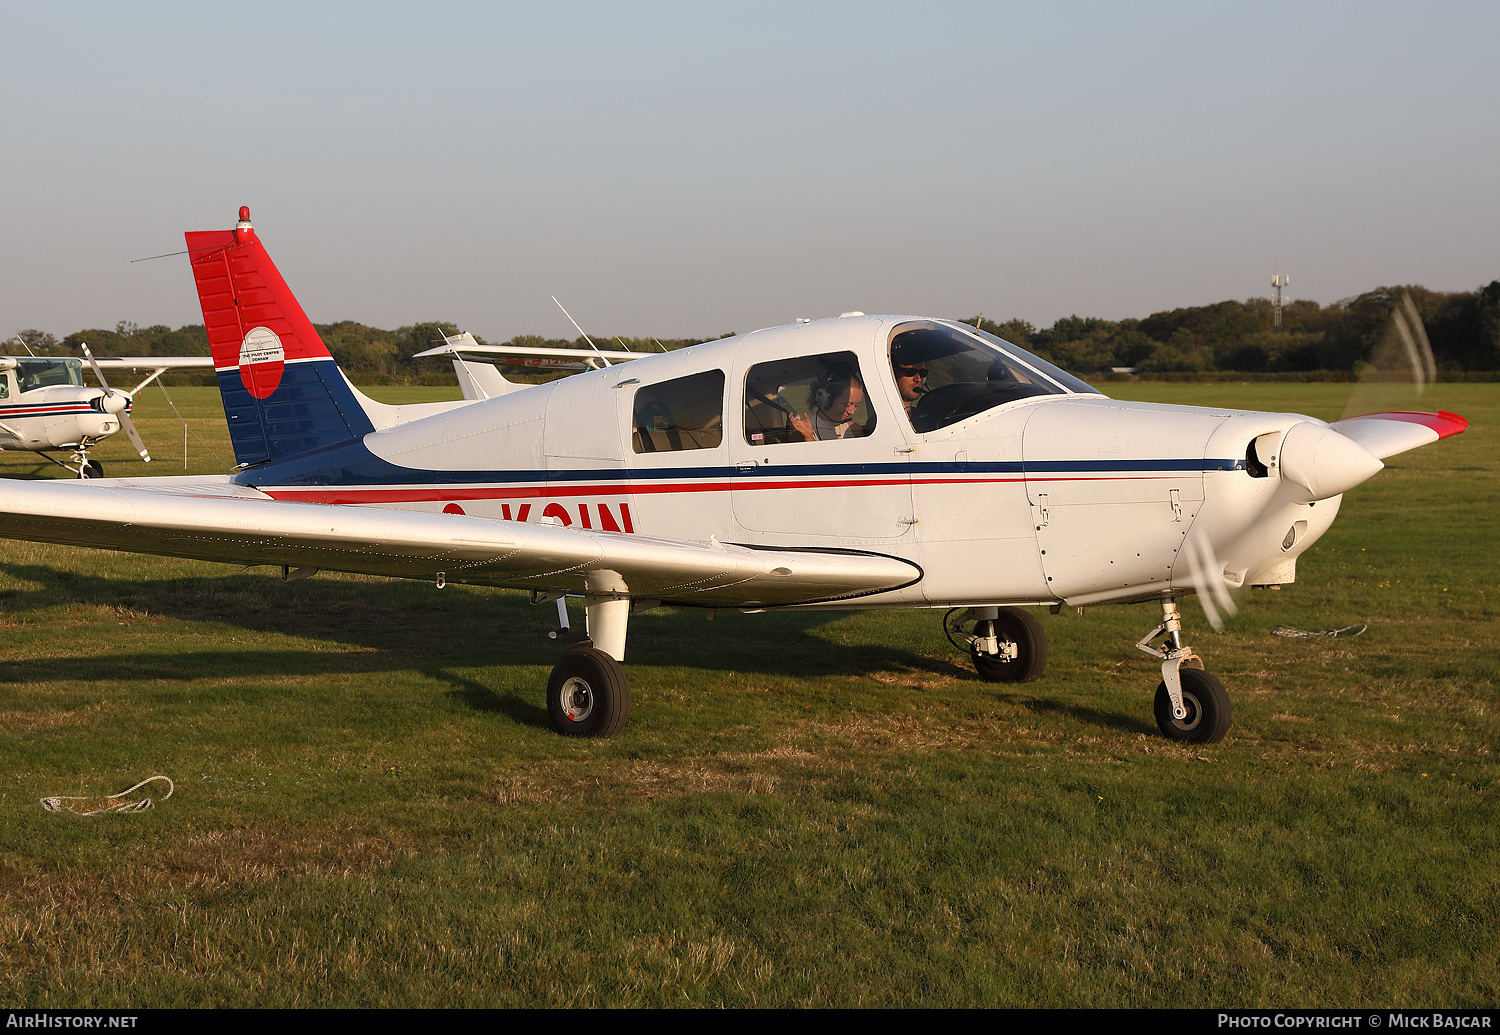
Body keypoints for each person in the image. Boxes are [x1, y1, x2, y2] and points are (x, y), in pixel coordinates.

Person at [789, 370, 867, 441]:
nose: (852, 412)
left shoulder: (854, 429)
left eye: (856, 406)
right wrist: (809, 438)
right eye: (847, 405)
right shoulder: (803, 432)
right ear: (826, 399)